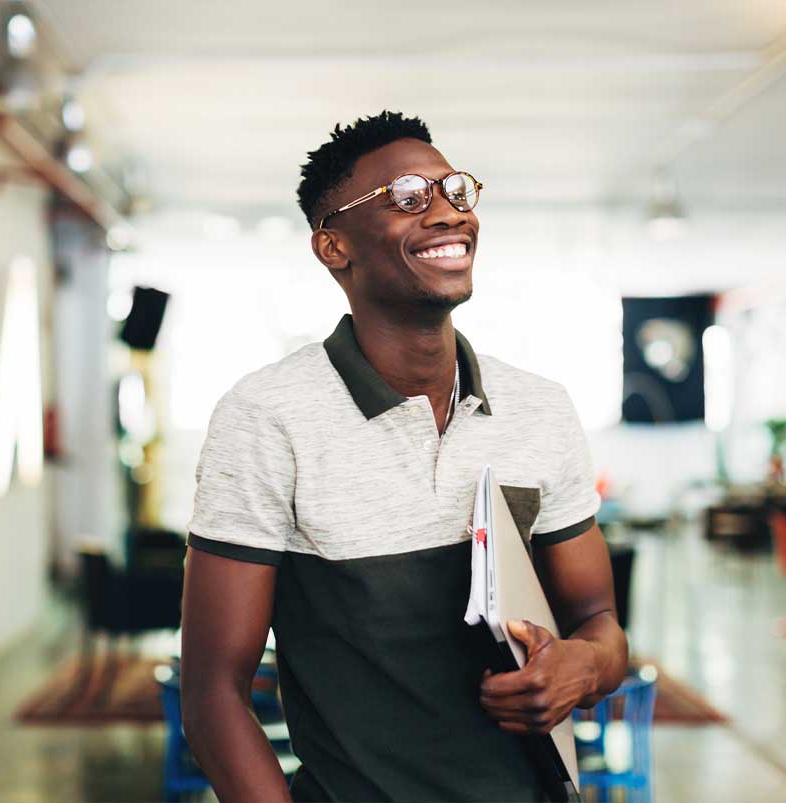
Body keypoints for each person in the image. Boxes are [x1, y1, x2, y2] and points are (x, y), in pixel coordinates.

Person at [180, 110, 628, 802]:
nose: (448, 212)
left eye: (455, 190)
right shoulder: (268, 416)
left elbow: (601, 622)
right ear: (333, 247)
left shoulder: (540, 408)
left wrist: (583, 666)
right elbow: (213, 691)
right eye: (409, 197)